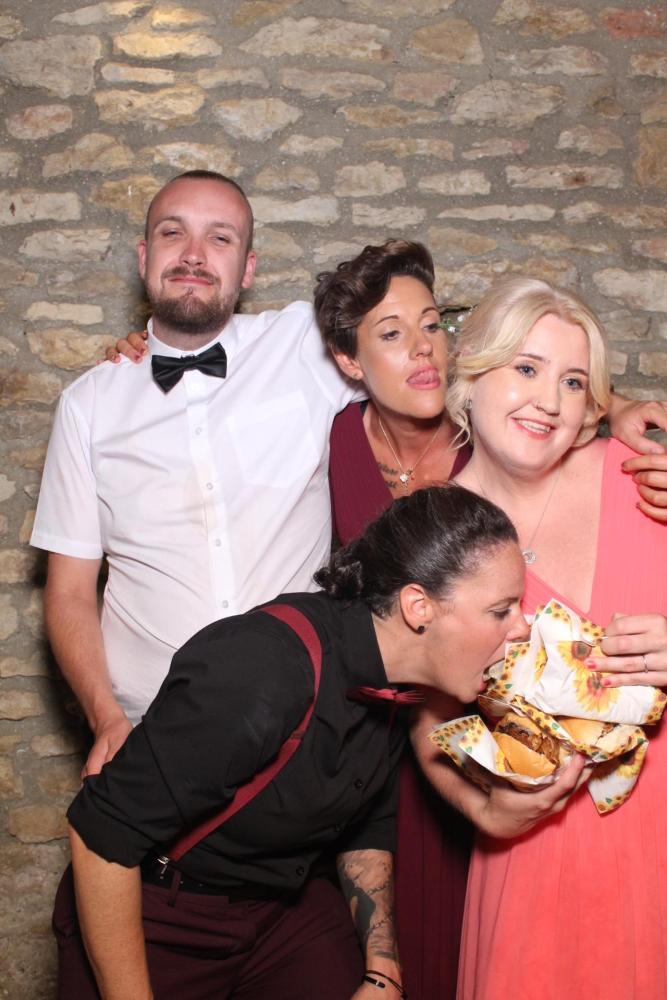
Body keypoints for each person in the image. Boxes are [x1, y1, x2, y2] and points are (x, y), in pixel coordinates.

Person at [313, 240, 667, 1000]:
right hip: (536, 846)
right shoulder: (431, 528)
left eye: (573, 381)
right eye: (526, 369)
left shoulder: (643, 478)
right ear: (471, 376)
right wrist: (489, 812)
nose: (548, 400)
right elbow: (426, 716)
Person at [55, 484, 565, 1000]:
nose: (523, 628)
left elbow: (368, 822)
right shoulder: (264, 667)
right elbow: (102, 835)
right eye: (501, 610)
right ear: (419, 607)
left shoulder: (400, 678)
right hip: (160, 913)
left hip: (285, 911)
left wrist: (383, 971)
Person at [30, 169, 361, 776]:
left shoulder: (304, 345)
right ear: (144, 258)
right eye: (172, 233)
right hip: (152, 729)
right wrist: (106, 719)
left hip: (304, 722)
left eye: (220, 238)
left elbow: (418, 361)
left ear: (248, 268)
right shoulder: (89, 404)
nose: (193, 254)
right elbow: (70, 590)